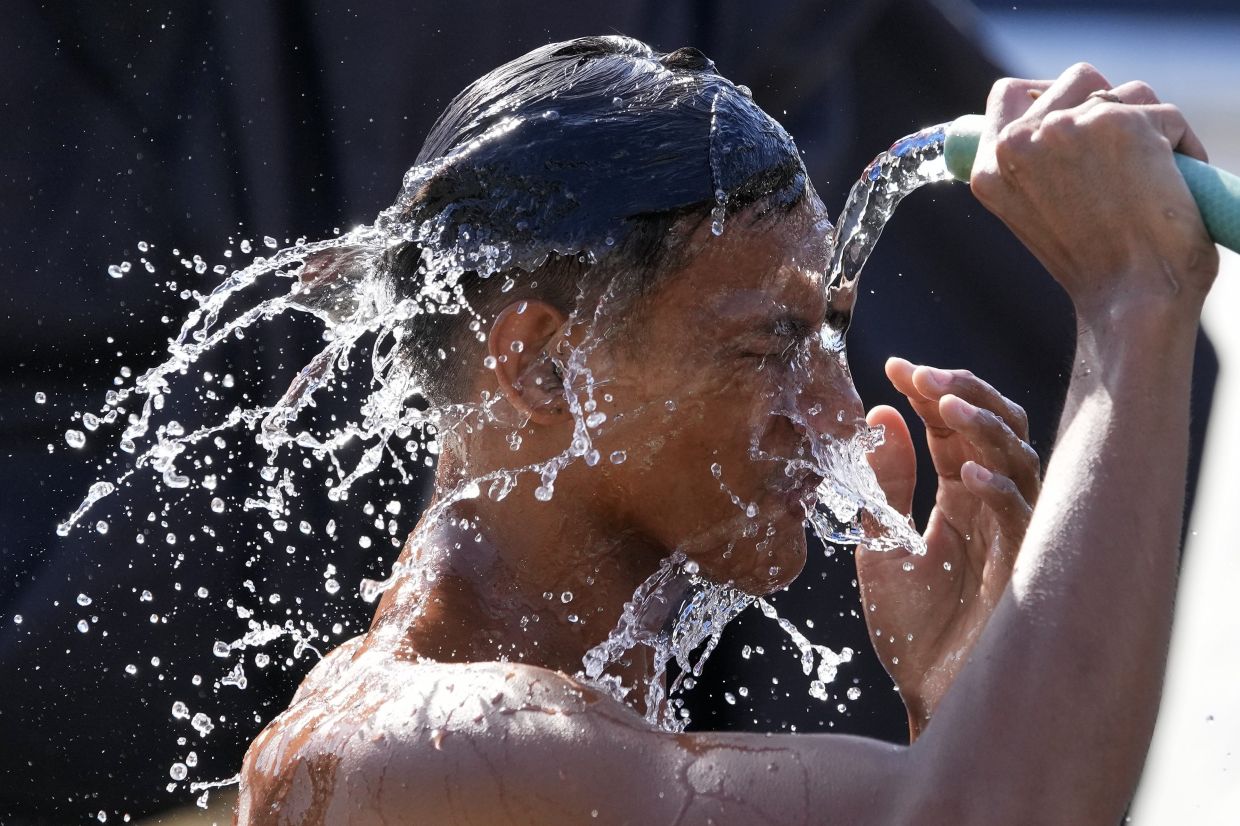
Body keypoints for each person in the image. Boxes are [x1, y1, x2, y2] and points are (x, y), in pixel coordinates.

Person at [236, 36, 1216, 824]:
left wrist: (957, 714)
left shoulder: (539, 743)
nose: (841, 418)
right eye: (768, 345)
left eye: (828, 340)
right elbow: (1008, 813)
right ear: (541, 366)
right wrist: (1133, 305)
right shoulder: (426, 750)